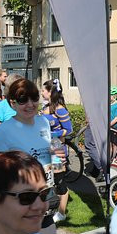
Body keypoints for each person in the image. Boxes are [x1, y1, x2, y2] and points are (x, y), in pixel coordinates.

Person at [0, 78, 61, 234]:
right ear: (12, 103)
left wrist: (57, 156)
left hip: (45, 197)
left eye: (34, 98)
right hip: (20, 203)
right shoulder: (5, 131)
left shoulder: (43, 122)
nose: (29, 104)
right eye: (22, 100)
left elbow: (47, 153)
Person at [41, 81, 73, 223]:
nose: (41, 92)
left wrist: (52, 134)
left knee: (60, 181)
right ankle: (48, 207)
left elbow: (69, 129)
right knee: (47, 180)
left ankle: (61, 212)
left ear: (50, 92)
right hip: (43, 149)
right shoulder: (45, 107)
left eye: (43, 90)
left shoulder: (60, 109)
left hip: (56, 149)